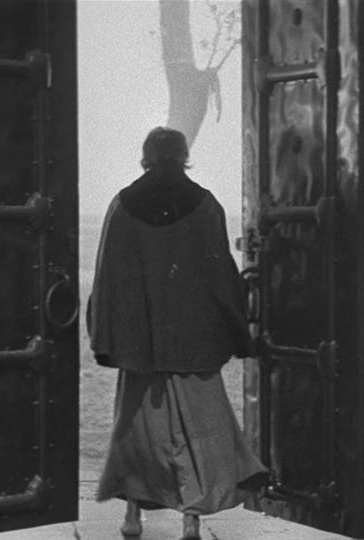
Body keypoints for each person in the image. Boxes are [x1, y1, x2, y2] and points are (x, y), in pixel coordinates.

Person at [87, 127, 268, 539]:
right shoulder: (206, 205)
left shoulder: (122, 204)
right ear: (184, 155)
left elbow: (107, 279)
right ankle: (191, 520)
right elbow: (221, 277)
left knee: (137, 434)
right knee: (200, 433)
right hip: (194, 344)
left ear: (146, 156)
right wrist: (238, 332)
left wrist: (104, 338)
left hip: (139, 346)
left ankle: (132, 517)